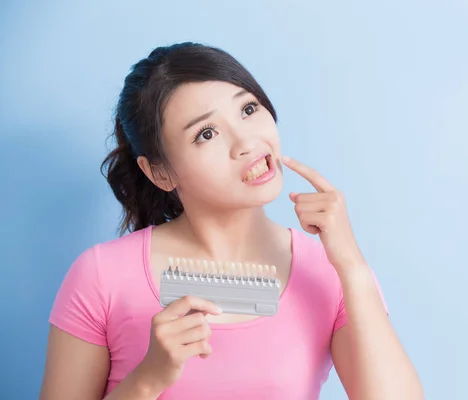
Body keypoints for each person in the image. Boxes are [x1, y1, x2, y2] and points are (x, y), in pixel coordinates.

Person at [39, 42, 423, 400]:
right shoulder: (101, 276)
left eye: (248, 109)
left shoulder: (331, 274)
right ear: (160, 173)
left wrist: (352, 267)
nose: (245, 142)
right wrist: (148, 379)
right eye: (206, 133)